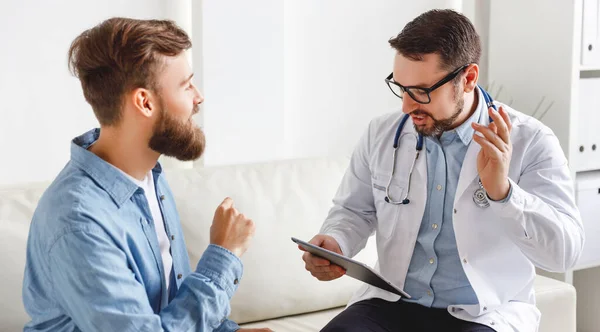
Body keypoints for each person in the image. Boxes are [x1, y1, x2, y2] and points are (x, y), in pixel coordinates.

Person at [300, 9, 584, 332]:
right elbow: (352, 211)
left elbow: (566, 252)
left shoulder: (531, 141)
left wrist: (504, 195)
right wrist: (335, 244)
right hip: (392, 304)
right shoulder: (381, 134)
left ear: (468, 79)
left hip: (481, 313)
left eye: (421, 92)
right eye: (401, 87)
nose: (407, 106)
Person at [22, 17, 271, 332]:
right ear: (144, 102)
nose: (199, 97)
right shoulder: (78, 222)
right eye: (186, 84)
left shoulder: (147, 173)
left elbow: (164, 312)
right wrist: (224, 256)